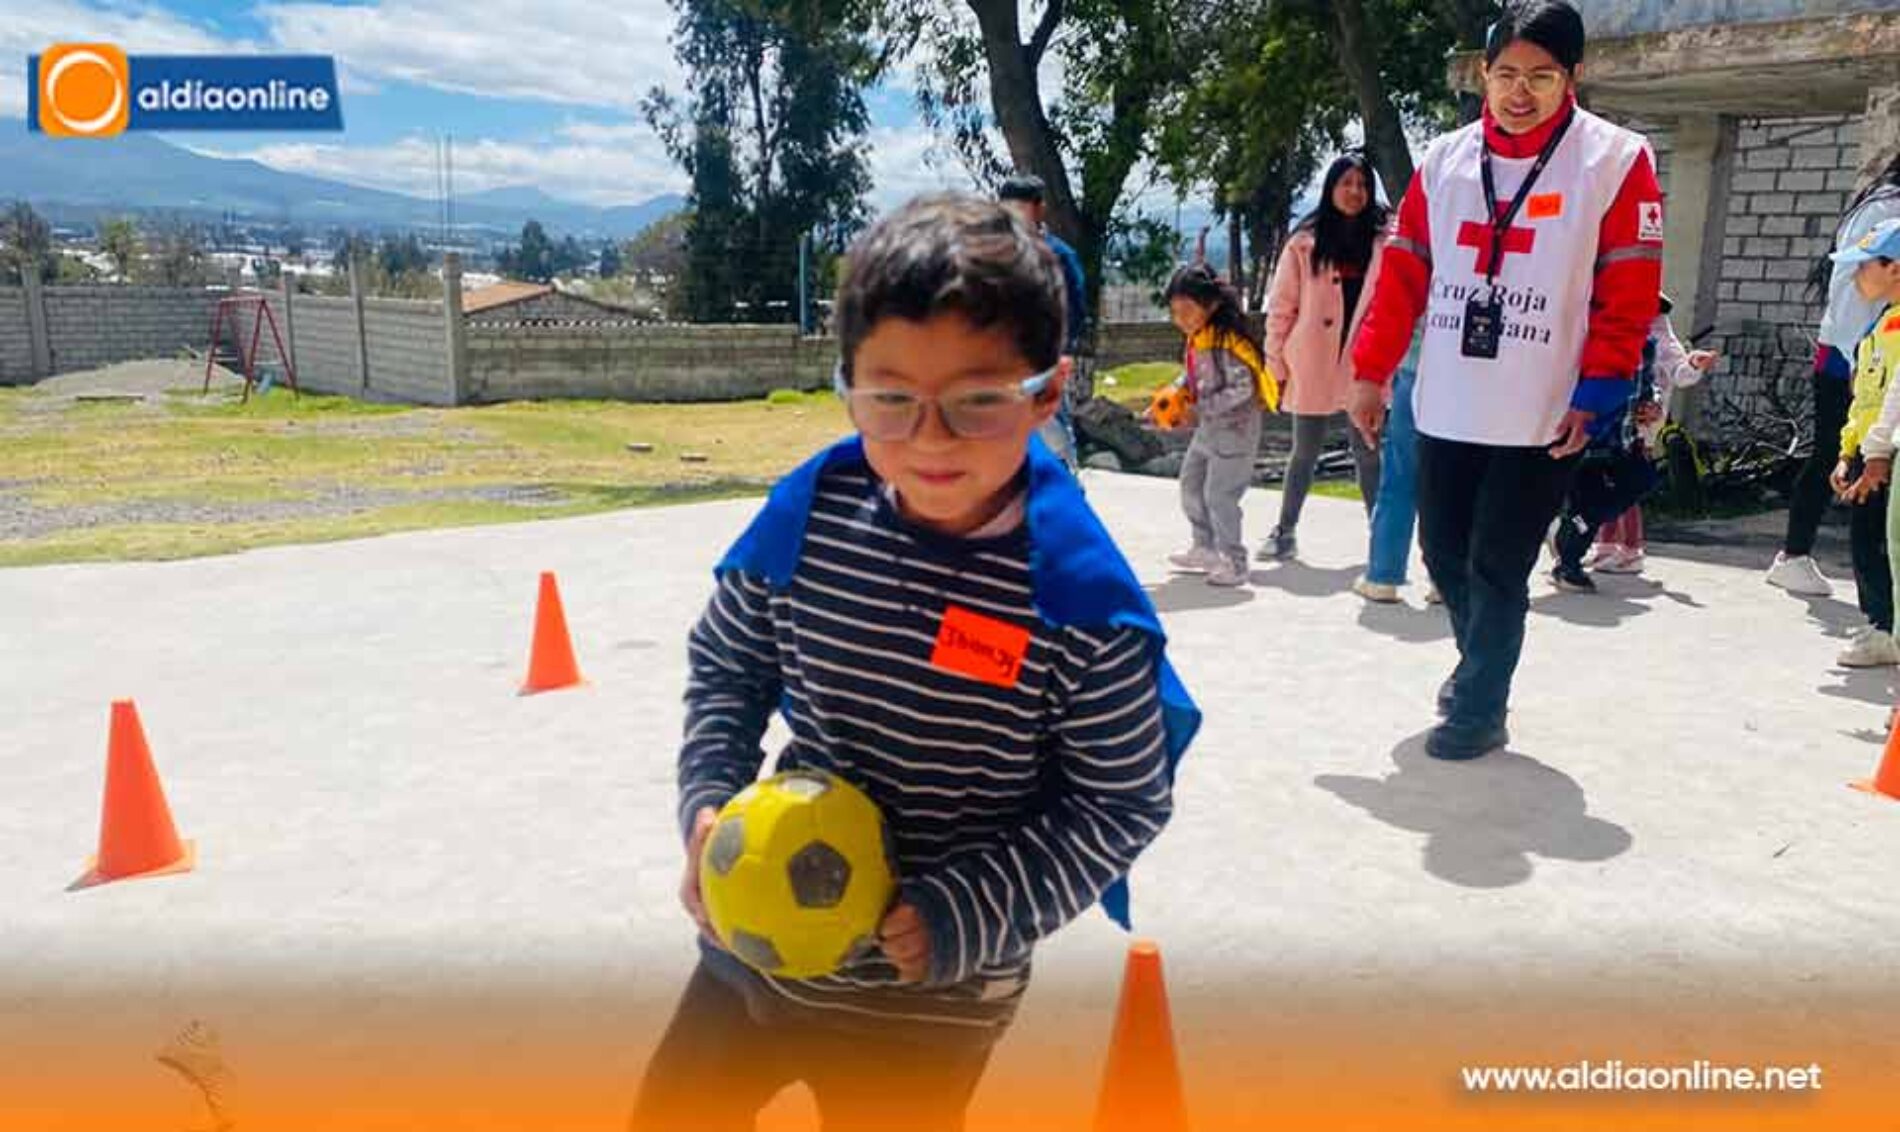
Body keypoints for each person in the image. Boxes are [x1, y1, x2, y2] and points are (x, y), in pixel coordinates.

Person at [630, 194, 1200, 1132]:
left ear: (1048, 393)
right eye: (891, 400)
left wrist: (965, 912)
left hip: (931, 1002)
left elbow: (1120, 803)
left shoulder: (1080, 605)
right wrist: (707, 803)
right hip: (752, 951)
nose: (930, 438)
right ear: (846, 385)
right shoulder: (805, 524)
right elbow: (729, 667)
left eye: (978, 400)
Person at [1349, 0, 1664, 759]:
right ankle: (1478, 668)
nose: (1520, 93)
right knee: (1443, 552)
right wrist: (1369, 370)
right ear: (1484, 75)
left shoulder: (1615, 159)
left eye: (1541, 77)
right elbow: (1403, 274)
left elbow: (1628, 288)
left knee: (1498, 560)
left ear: (1573, 77)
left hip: (1544, 408)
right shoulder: (1445, 160)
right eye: (1505, 74)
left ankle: (1480, 704)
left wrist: (1601, 389)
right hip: (1449, 399)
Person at [1767, 153, 1900, 597]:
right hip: (1856, 354)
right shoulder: (1885, 208)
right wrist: (1859, 359)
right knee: (1840, 454)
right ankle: (1795, 555)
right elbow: (1849, 290)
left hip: (1870, 351)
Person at [1259, 153, 1389, 561]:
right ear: (1330, 188)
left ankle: (1381, 537)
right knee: (1305, 451)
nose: (1354, 192)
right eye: (1346, 183)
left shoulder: (1385, 242)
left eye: (1362, 185)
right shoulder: (1303, 243)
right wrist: (1275, 362)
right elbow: (1282, 308)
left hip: (1364, 365)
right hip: (1310, 362)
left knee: (1367, 451)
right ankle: (1284, 531)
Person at [1584, 295, 1720, 577]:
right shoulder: (1625, 331)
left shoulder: (1662, 339)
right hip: (1618, 420)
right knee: (1608, 480)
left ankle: (1632, 549)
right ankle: (1606, 544)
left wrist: (1694, 364)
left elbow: (1681, 373)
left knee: (1626, 485)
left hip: (1642, 425)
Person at [1165, 263, 1278, 588]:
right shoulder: (1200, 338)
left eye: (1187, 311)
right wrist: (1173, 396)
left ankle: (1235, 561)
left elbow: (1243, 389)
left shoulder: (1228, 343)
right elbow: (1194, 376)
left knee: (1220, 496)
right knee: (1191, 484)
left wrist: (1199, 410)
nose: (1180, 319)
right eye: (1175, 312)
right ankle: (1205, 547)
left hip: (1235, 432)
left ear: (1211, 305)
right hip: (1209, 430)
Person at [1824, 217, 1900, 668]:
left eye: (1864, 265)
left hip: (1887, 457)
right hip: (1869, 451)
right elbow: (1865, 399)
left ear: (1895, 269)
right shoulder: (1880, 325)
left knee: (1883, 546)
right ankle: (1880, 623)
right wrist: (1846, 451)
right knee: (1866, 542)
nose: (1856, 275)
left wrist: (1876, 456)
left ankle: (1887, 629)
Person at [999, 174, 1089, 471]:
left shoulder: (1059, 255)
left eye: (1020, 208)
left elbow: (1075, 307)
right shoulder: (995, 255)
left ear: (1039, 209)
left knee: (1051, 423)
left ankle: (1067, 480)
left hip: (1044, 356)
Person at [1353, 324, 1431, 603]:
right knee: (1451, 479)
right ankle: (1444, 578)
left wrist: (1370, 376)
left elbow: (1390, 315)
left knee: (1398, 477)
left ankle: (1382, 575)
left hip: (1414, 367)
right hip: (1466, 372)